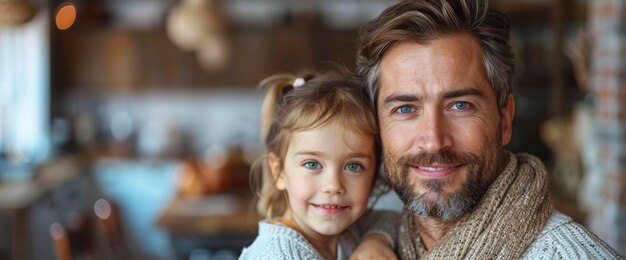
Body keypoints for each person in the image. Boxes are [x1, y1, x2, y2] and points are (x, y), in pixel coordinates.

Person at [353, 0, 623, 259]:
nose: (434, 141)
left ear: (504, 121)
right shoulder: (352, 243)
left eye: (460, 105)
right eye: (405, 109)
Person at [239, 71, 399, 259]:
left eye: (353, 166)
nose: (333, 186)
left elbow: (394, 220)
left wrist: (376, 240)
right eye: (312, 164)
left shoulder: (349, 233)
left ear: (373, 177)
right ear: (279, 171)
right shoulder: (276, 255)